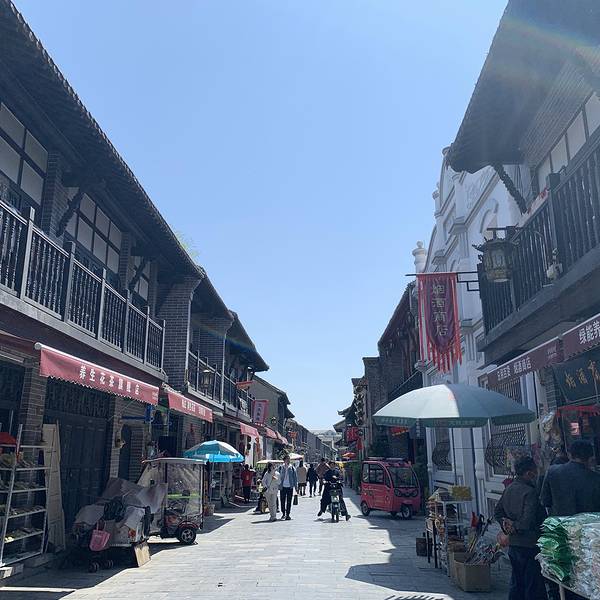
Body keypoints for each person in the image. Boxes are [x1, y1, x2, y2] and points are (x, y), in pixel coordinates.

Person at [495, 456, 547, 600]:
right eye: (535, 471)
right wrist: (513, 526)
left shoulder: (509, 488)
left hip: (514, 544)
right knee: (532, 585)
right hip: (529, 544)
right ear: (529, 473)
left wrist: (505, 524)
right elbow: (527, 521)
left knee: (517, 583)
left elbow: (497, 512)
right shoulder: (530, 492)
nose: (537, 474)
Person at [540, 440, 600, 516]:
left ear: (569, 455)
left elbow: (545, 501)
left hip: (560, 521)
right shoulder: (596, 478)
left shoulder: (552, 472)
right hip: (587, 522)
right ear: (590, 458)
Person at [278, 455, 298, 520]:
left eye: (289, 459)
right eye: (287, 459)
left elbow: (295, 478)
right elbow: (277, 476)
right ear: (284, 460)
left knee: (289, 501)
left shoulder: (292, 468)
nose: (288, 460)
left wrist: (296, 487)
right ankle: (283, 513)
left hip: (290, 486)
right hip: (282, 486)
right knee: (282, 500)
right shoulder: (281, 467)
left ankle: (288, 514)